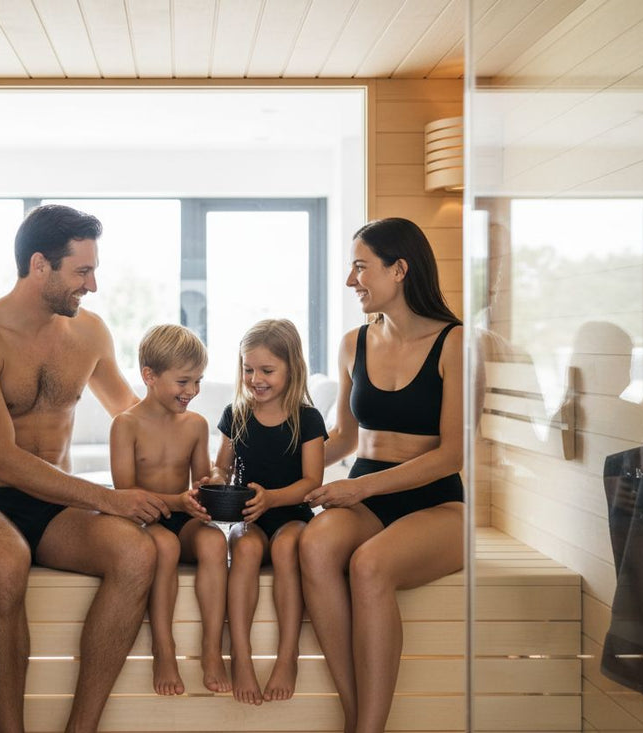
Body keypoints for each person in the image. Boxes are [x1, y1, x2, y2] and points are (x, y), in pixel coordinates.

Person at [0, 204, 170, 733]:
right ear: (40, 265)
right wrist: (108, 498)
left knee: (136, 554)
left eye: (93, 270)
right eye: (82, 271)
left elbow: (132, 413)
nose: (92, 284)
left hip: (54, 506)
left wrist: (196, 454)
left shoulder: (88, 334)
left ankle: (80, 728)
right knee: (6, 563)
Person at [300, 217, 464, 733]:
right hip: (367, 493)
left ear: (399, 269)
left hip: (437, 502)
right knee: (316, 547)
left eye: (360, 267)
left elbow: (452, 456)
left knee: (370, 566)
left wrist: (359, 487)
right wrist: (272, 468)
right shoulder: (354, 343)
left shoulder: (455, 343)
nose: (352, 281)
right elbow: (344, 439)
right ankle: (358, 715)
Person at [207, 318, 327, 705]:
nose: (255, 378)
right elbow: (220, 468)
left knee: (287, 547)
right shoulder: (236, 414)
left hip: (290, 514)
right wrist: (211, 480)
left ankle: (287, 655)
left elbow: (311, 482)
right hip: (249, 518)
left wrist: (273, 498)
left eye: (266, 370)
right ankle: (240, 656)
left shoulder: (307, 419)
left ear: (291, 368)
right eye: (247, 369)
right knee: (243, 549)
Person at [108, 323, 231, 696]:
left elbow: (200, 480)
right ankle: (164, 647)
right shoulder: (125, 425)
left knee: (213, 544)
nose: (192, 391)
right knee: (166, 547)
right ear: (149, 376)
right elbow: (125, 493)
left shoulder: (195, 425)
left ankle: (212, 649)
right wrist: (178, 501)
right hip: (144, 520)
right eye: (183, 382)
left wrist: (211, 482)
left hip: (184, 515)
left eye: (198, 382)